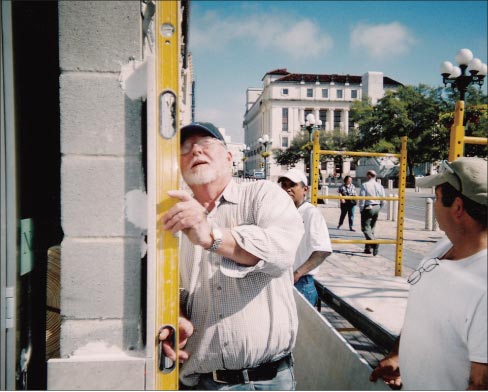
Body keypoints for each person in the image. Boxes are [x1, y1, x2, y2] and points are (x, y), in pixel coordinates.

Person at [159, 122, 304, 390]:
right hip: (203, 383)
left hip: (269, 381)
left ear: (229, 158)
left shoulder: (263, 195)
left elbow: (280, 251)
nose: (196, 152)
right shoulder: (173, 219)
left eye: (206, 145)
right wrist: (176, 316)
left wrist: (212, 236)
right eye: (186, 148)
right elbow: (172, 288)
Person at [370, 157, 487, 390]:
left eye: (436, 198)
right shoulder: (443, 247)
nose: (433, 205)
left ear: (457, 208)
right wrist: (397, 355)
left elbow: (481, 383)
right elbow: (422, 311)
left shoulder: (483, 287)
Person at [278, 168, 332, 306]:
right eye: (284, 185)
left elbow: (322, 250)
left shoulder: (311, 214)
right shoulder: (281, 212)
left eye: (292, 185)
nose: (288, 189)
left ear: (305, 189)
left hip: (300, 283)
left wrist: (297, 274)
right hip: (281, 280)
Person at [359, 170, 385, 255]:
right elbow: (383, 198)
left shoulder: (365, 185)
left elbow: (362, 198)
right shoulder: (379, 186)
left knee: (365, 228)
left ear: (369, 175)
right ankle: (368, 248)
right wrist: (379, 207)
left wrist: (361, 208)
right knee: (372, 228)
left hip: (368, 207)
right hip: (376, 206)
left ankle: (374, 243)